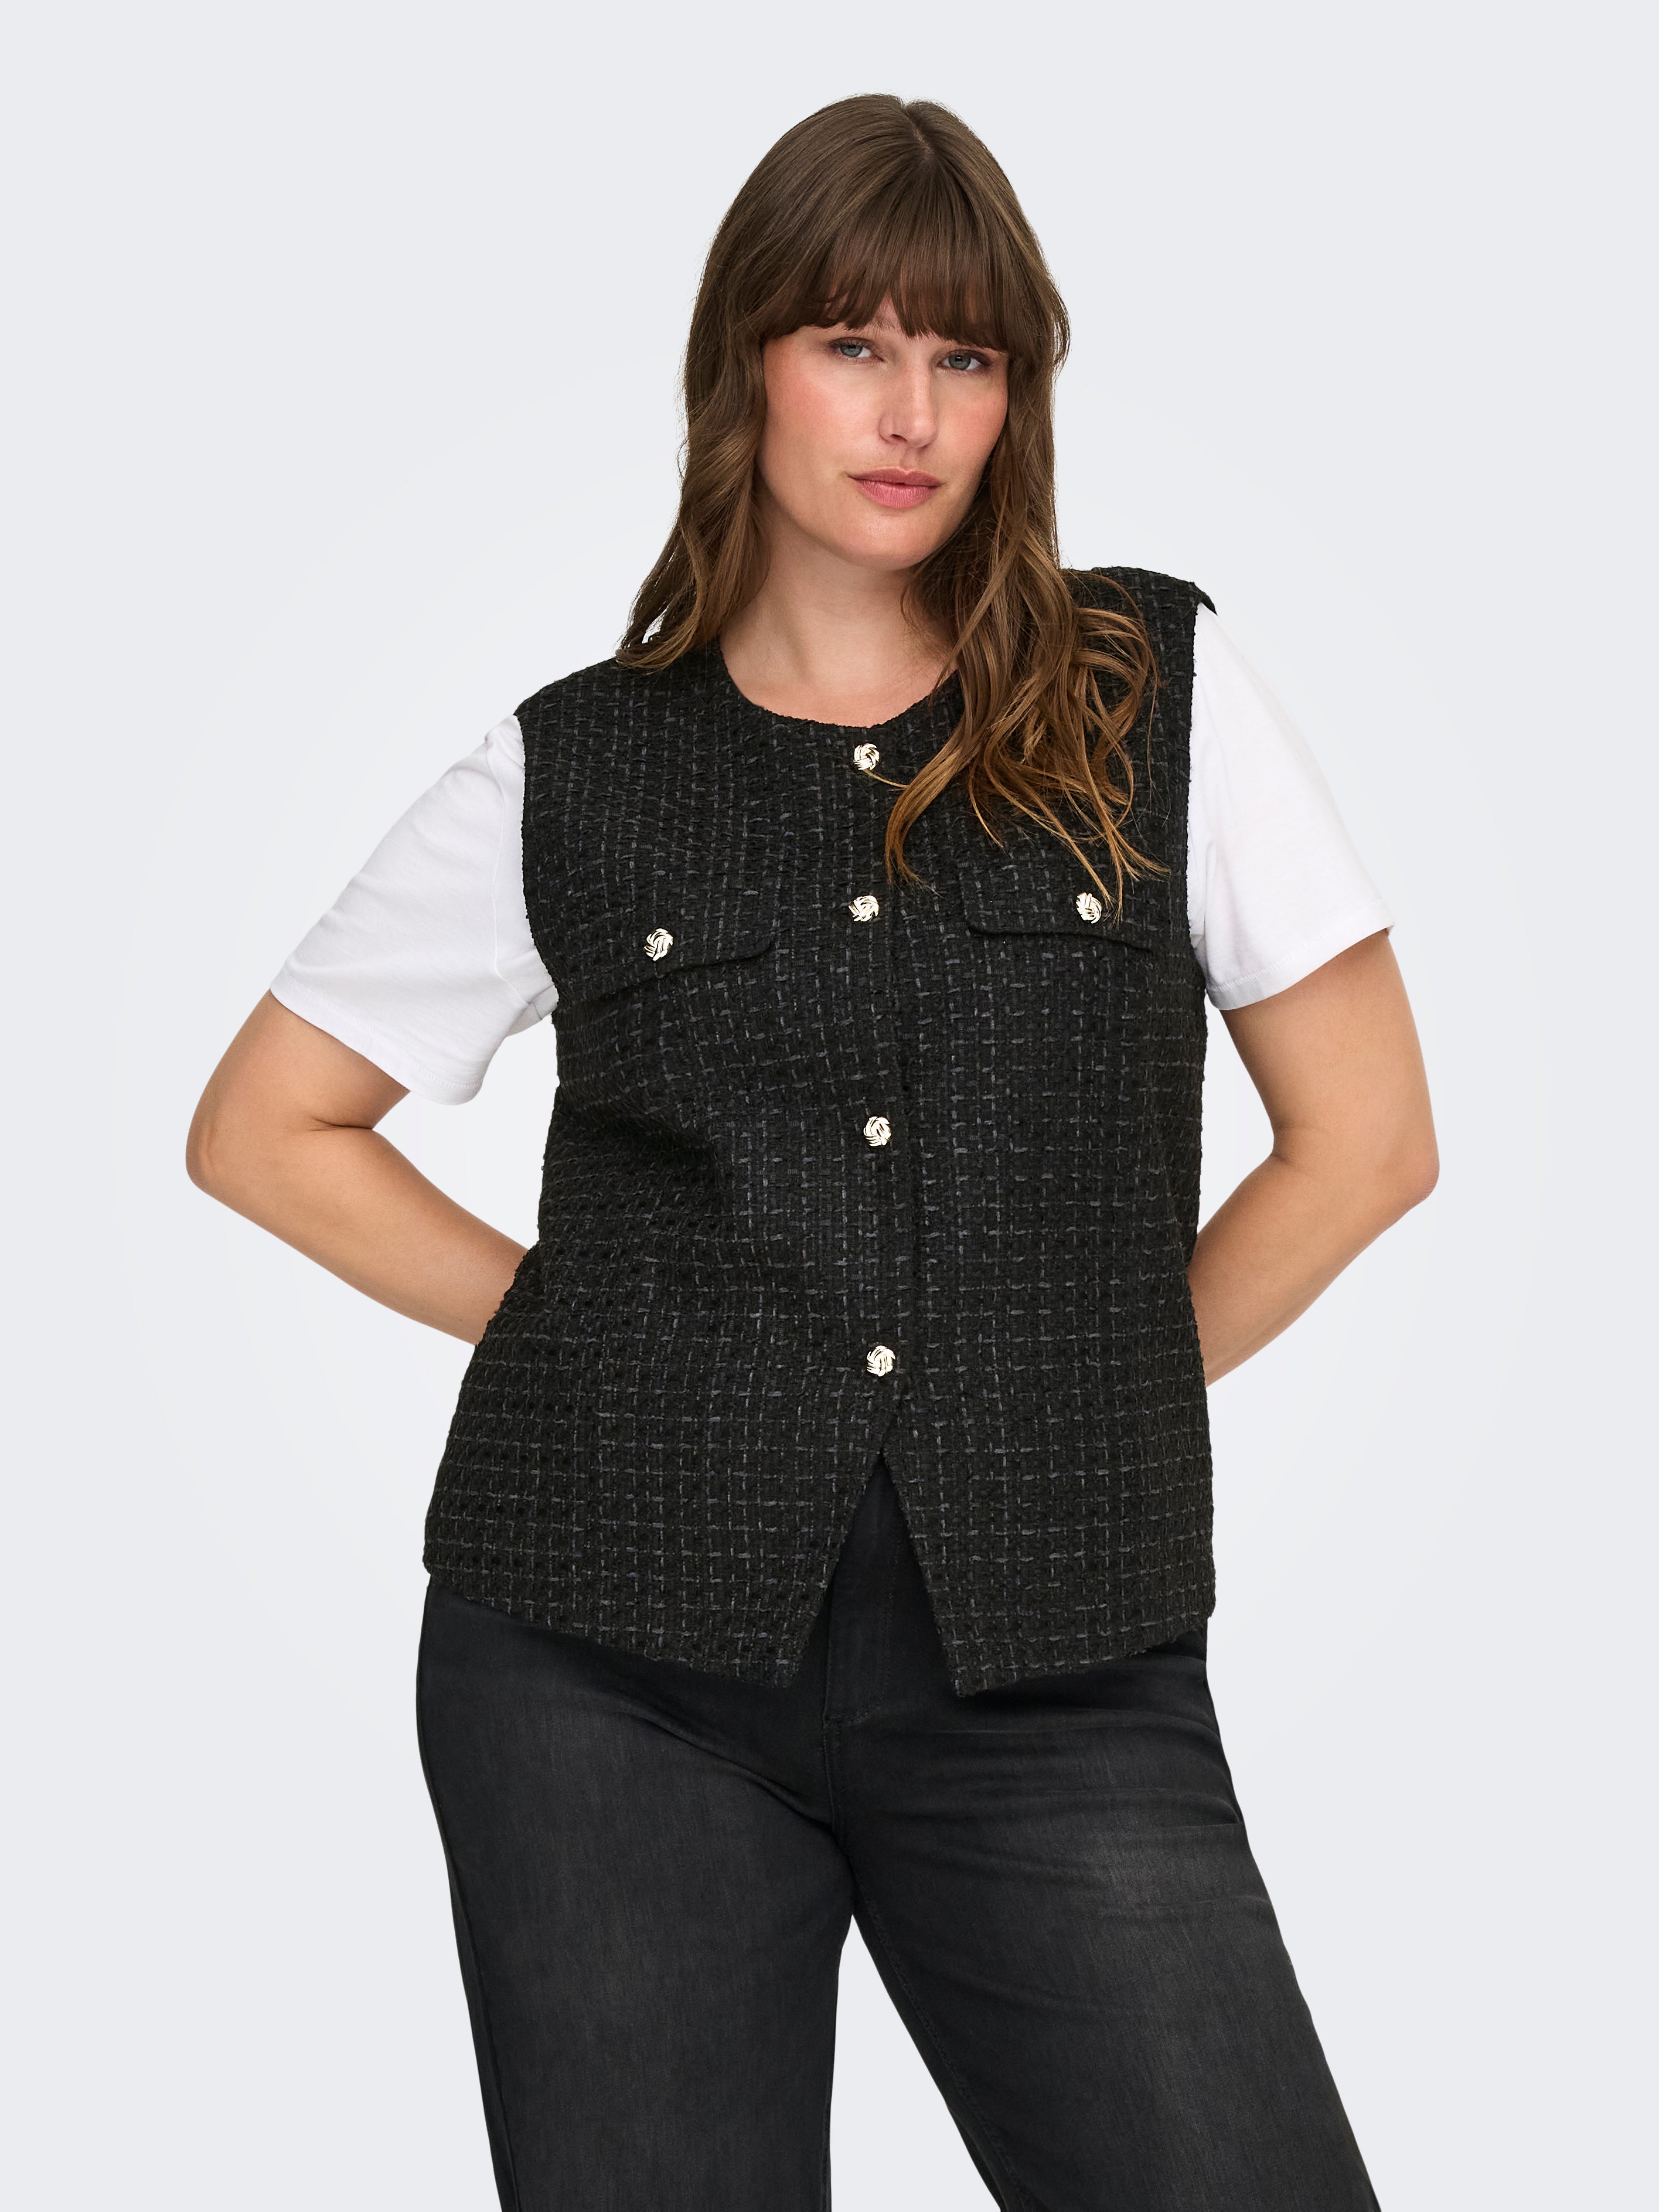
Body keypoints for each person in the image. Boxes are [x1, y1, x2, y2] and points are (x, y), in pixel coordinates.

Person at [188, 93, 1433, 2212]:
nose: (914, 412)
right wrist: (591, 1342)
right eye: (855, 344)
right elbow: (265, 1127)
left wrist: (1075, 1390)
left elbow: (1369, 1140)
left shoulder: (1152, 694)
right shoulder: (575, 769)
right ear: (746, 366)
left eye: (968, 355)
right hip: (600, 1677)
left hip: (1058, 1676)